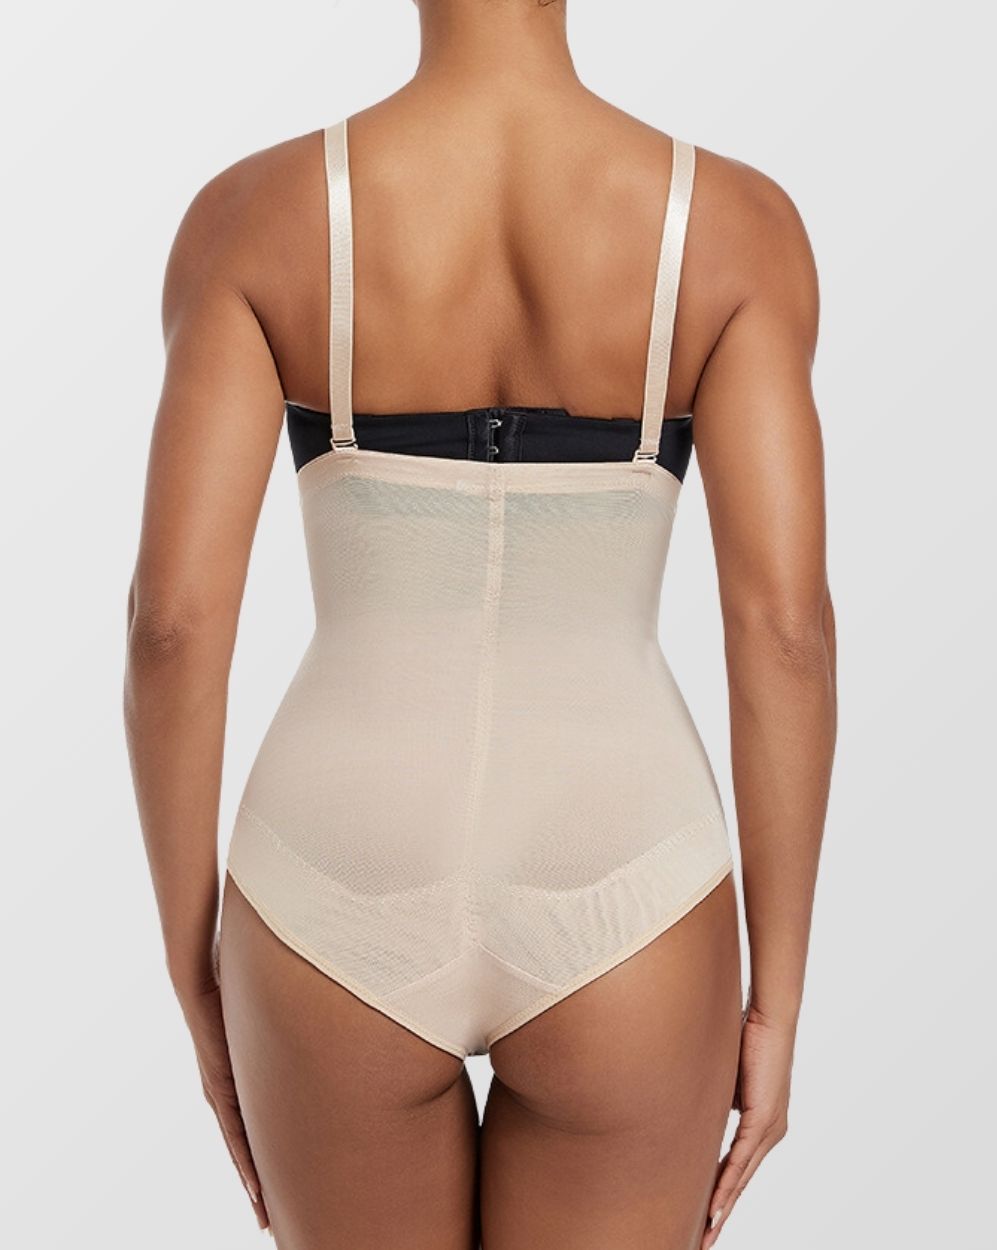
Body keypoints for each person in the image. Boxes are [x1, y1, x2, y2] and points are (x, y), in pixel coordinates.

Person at [124, 2, 836, 1246]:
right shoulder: (735, 228)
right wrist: (774, 998)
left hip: (330, 870)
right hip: (629, 869)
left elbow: (171, 628)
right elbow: (782, 629)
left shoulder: (253, 218)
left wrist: (197, 975)